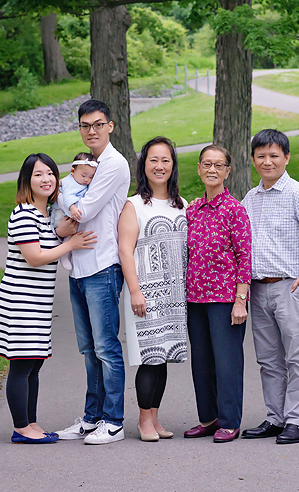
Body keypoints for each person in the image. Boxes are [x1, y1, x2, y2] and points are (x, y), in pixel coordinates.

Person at [0, 153, 96, 444]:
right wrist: (70, 243)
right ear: (27, 180)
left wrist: (57, 233)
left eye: (50, 173)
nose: (46, 179)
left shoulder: (40, 216)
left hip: (36, 303)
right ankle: (20, 428)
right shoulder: (23, 212)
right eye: (38, 174)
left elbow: (42, 242)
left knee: (34, 363)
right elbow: (34, 257)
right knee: (23, 364)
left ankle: (30, 424)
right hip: (20, 302)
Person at [241, 129, 299, 445]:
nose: (267, 162)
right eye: (261, 156)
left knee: (296, 356)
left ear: (286, 157)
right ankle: (275, 418)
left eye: (274, 155)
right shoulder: (250, 199)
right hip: (258, 289)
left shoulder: (298, 194)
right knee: (268, 359)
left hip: (290, 288)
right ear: (253, 160)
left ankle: (297, 420)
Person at [54, 100, 131, 445]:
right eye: (85, 126)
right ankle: (91, 417)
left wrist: (64, 213)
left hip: (102, 265)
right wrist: (64, 222)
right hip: (79, 270)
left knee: (106, 348)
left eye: (97, 124)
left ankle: (113, 421)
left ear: (110, 126)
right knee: (88, 349)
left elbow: (82, 212)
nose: (91, 131)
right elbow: (65, 204)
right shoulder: (86, 164)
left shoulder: (113, 164)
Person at [118, 137, 188, 442]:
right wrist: (135, 291)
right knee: (149, 357)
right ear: (143, 165)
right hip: (144, 295)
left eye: (166, 160)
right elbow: (124, 250)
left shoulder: (181, 204)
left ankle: (155, 418)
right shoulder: (134, 205)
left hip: (175, 296)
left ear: (173, 166)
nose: (160, 166)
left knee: (164, 357)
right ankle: (143, 420)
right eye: (153, 160)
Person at [184, 145, 251, 443]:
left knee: (227, 363)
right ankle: (208, 418)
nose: (212, 169)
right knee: (202, 362)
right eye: (207, 164)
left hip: (225, 299)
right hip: (195, 298)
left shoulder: (234, 210)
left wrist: (241, 300)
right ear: (199, 168)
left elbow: (245, 256)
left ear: (227, 171)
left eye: (218, 165)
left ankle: (230, 421)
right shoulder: (192, 210)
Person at [50, 152, 97, 271]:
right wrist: (72, 208)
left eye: (91, 177)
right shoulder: (71, 183)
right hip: (61, 213)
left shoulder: (77, 181)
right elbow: (67, 197)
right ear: (72, 171)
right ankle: (64, 255)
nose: (86, 180)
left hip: (67, 210)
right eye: (83, 175)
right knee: (68, 233)